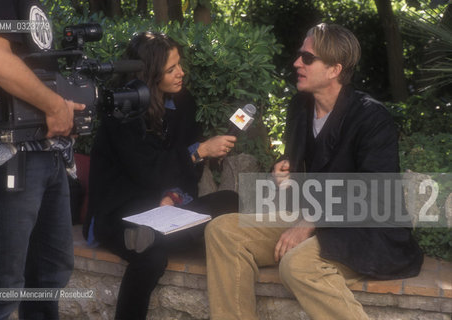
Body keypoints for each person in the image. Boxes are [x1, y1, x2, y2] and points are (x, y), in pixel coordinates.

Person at [204, 23, 424, 320]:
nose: (297, 63)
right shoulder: (300, 106)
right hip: (313, 218)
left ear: (334, 69)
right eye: (299, 56)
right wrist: (285, 170)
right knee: (223, 231)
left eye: (307, 58)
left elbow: (373, 192)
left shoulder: (371, 117)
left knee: (297, 265)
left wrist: (311, 220)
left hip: (366, 231)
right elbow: (304, 163)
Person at [85, 32, 239, 320]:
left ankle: (158, 236)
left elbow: (184, 172)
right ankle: (158, 237)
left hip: (167, 208)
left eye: (179, 65)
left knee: (231, 201)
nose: (181, 73)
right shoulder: (122, 111)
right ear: (150, 73)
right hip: (124, 211)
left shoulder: (183, 103)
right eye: (171, 69)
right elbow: (147, 170)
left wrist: (172, 195)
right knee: (151, 258)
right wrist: (200, 151)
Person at [0, 0, 85, 319]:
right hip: (8, 159)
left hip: (46, 153)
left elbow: (31, 70)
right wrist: (55, 107)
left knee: (46, 279)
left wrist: (65, 111)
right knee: (0, 290)